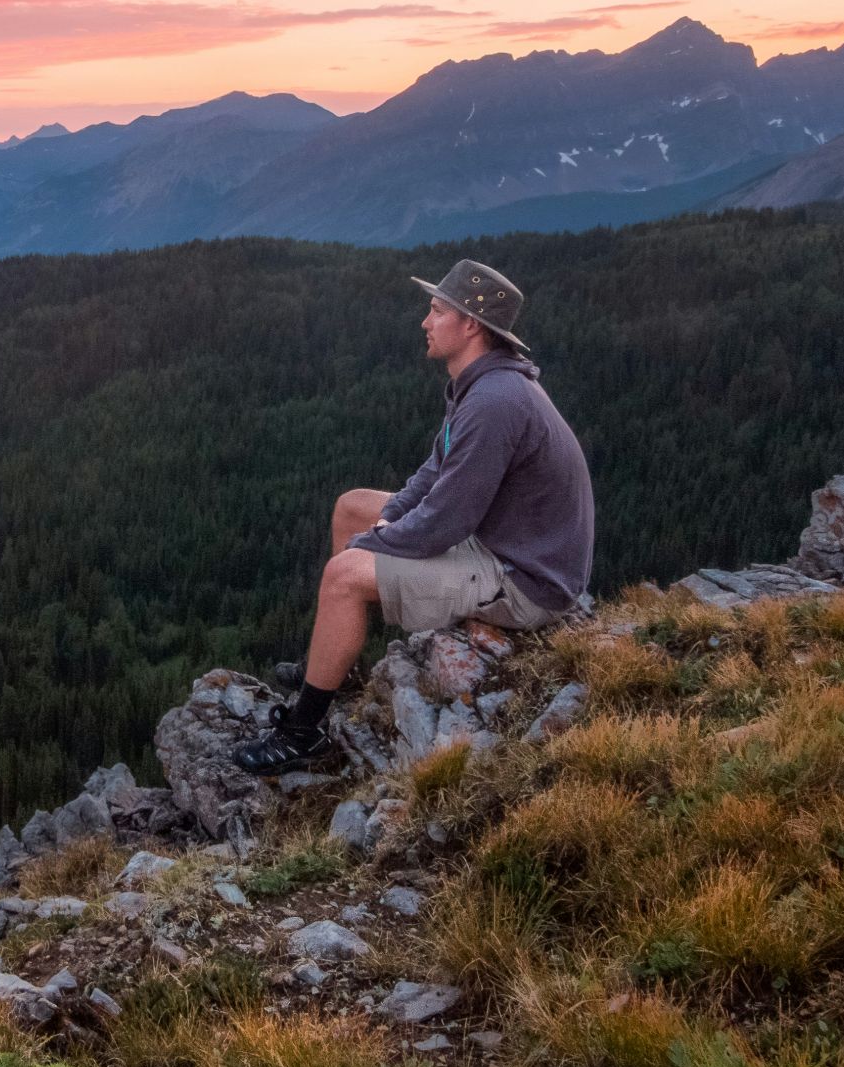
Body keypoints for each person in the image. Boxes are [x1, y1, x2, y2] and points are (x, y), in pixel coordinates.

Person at [232, 259, 595, 776]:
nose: (425, 322)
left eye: (436, 310)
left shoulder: (496, 401)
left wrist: (378, 544)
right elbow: (432, 475)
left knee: (342, 576)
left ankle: (302, 732)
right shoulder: (478, 386)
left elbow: (446, 520)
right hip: (502, 543)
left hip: (525, 580)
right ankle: (342, 663)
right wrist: (381, 525)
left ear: (471, 324)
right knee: (352, 506)